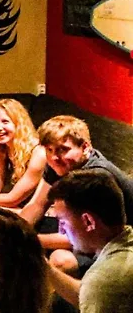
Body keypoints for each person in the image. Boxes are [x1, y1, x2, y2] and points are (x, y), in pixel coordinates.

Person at [19, 115, 133, 277]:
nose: (54, 157)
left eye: (63, 149)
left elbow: (83, 235)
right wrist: (16, 231)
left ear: (85, 147)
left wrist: (26, 240)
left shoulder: (95, 177)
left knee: (61, 260)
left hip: (115, 245)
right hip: (81, 232)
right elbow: (37, 205)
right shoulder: (59, 165)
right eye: (49, 150)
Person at [47, 170, 133, 313]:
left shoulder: (105, 279)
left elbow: (98, 289)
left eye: (63, 222)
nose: (61, 231)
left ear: (88, 221)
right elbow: (88, 294)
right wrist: (44, 267)